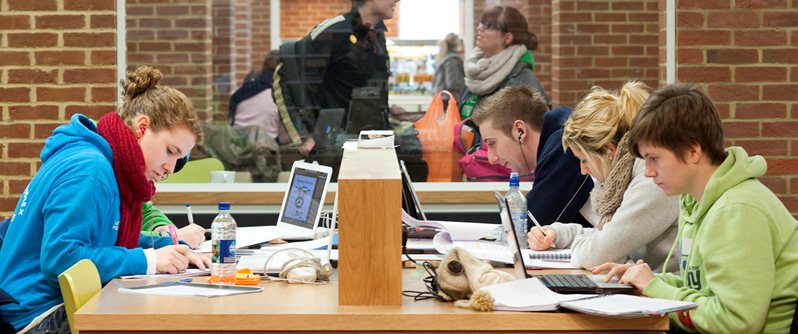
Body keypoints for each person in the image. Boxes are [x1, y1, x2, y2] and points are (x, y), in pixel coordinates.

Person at [0, 66, 211, 333]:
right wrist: (148, 260)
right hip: (38, 316)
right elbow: (61, 259)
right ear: (142, 128)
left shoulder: (105, 164)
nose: (170, 167)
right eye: (170, 152)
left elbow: (103, 238)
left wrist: (170, 248)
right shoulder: (90, 169)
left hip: (45, 306)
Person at [593, 84, 798, 333]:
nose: (648, 172)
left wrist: (655, 289)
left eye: (654, 158)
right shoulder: (697, 202)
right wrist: (646, 279)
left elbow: (736, 322)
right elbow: (704, 288)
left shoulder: (736, 210)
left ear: (693, 151)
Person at [527, 82, 679, 271]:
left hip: (667, 290)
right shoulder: (626, 173)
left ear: (609, 150)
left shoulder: (651, 180)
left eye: (584, 160)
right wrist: (557, 233)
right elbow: (607, 234)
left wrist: (589, 245)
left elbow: (596, 254)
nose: (583, 170)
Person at [278, 0, 398, 156]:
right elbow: (285, 73)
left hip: (373, 146)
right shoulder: (335, 31)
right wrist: (304, 134)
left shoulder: (378, 37)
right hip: (335, 151)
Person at [471, 86, 593, 232]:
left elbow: (530, 228)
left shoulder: (565, 144)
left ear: (519, 131)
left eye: (492, 143)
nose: (491, 158)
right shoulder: (557, 136)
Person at [459, 5, 548, 119]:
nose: (479, 28)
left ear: (507, 38)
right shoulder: (475, 71)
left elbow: (530, 132)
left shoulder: (523, 82)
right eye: (481, 23)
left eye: (488, 26)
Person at [229, 50, 282, 141]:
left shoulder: (244, 89)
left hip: (237, 143)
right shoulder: (280, 93)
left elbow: (231, 114)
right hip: (267, 147)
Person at [432, 32, 465, 100]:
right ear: (457, 44)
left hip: (443, 98)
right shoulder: (452, 60)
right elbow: (453, 83)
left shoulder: (444, 58)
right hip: (450, 99)